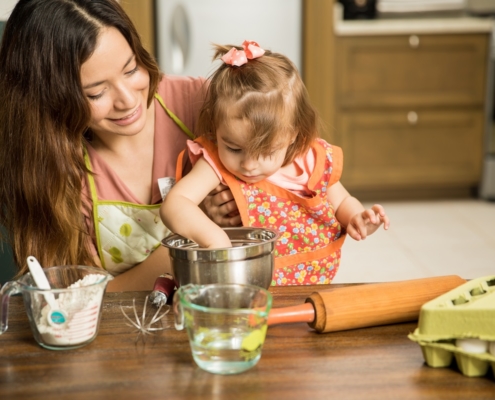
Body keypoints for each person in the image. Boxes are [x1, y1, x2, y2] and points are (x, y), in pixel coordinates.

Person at [0, 0, 238, 291]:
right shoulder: (53, 170)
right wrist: (188, 241)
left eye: (131, 69)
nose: (128, 100)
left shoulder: (201, 104)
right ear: (50, 101)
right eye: (97, 93)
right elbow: (77, 299)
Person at [161, 41, 390, 286]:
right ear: (216, 128)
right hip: (247, 287)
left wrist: (357, 217)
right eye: (234, 148)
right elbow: (174, 204)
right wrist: (214, 240)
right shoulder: (215, 163)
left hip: (316, 285)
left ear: (293, 135)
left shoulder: (312, 160)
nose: (248, 165)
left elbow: (342, 201)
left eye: (266, 151)